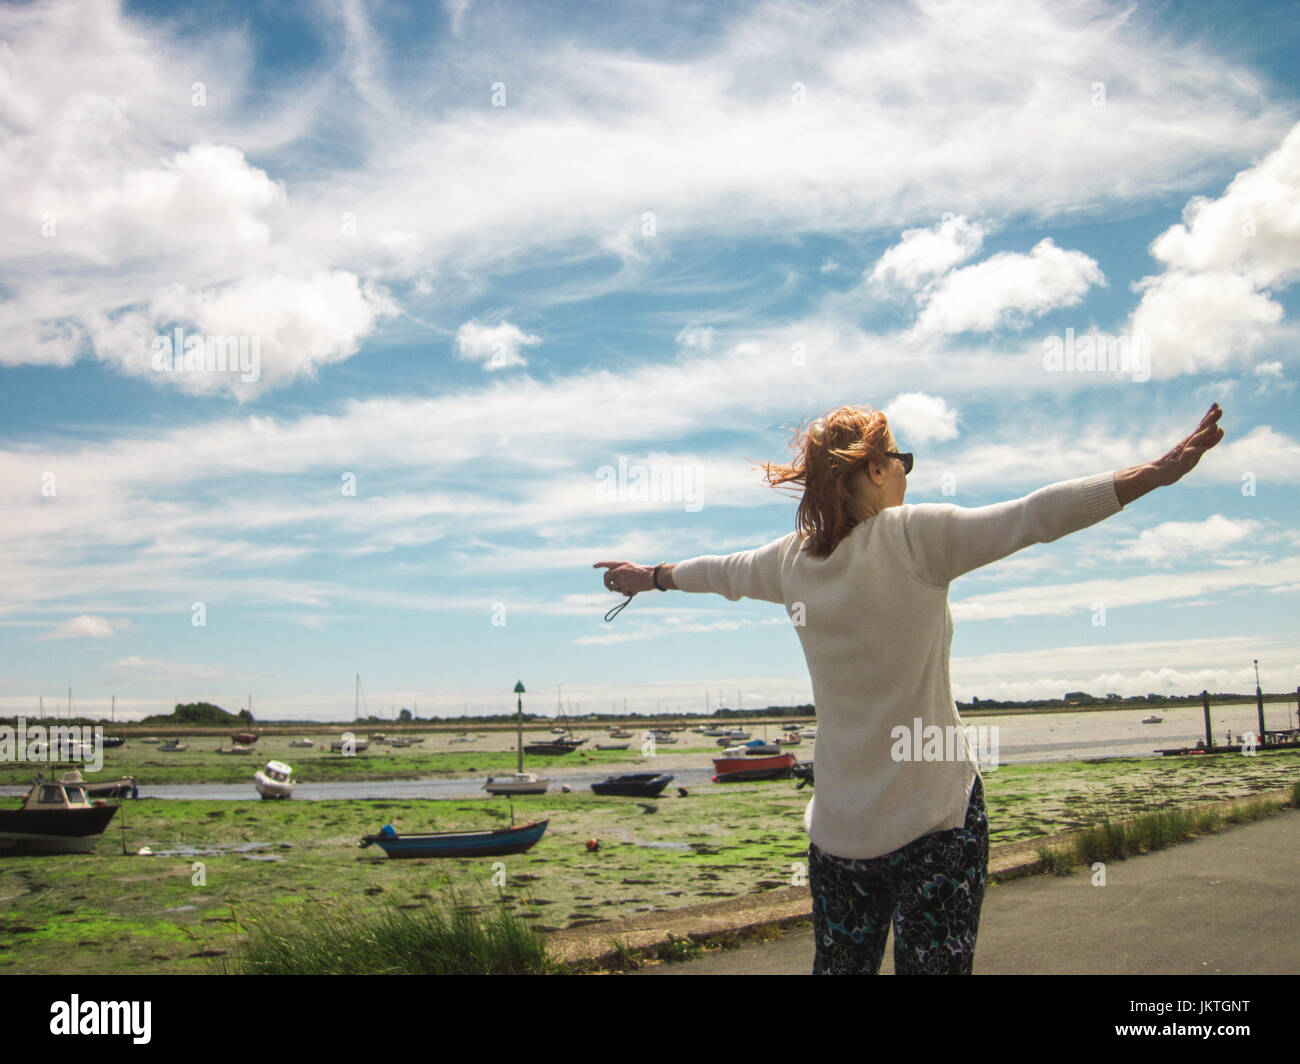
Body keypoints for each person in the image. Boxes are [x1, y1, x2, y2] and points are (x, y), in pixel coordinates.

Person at [594, 402, 1223, 974]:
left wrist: (646, 576)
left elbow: (712, 572)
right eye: (901, 459)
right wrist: (1153, 475)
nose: (907, 473)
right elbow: (1032, 517)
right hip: (935, 822)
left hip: (840, 833)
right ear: (871, 469)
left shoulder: (788, 562)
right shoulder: (913, 537)